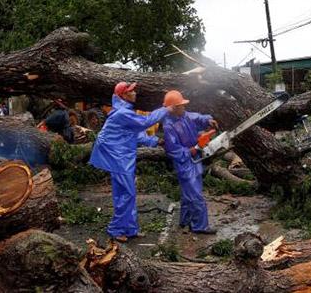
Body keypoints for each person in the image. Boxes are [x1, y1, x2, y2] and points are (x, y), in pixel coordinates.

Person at [89, 81, 170, 242]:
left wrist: (155, 141)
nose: (135, 93)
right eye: (131, 91)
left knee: (125, 193)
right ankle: (116, 229)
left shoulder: (124, 111)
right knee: (127, 192)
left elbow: (135, 133)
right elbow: (145, 122)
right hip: (116, 156)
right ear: (123, 95)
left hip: (122, 155)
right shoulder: (122, 113)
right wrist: (166, 109)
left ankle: (130, 229)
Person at [161, 90, 218, 234]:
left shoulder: (185, 116)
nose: (184, 107)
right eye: (181, 105)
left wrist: (207, 120)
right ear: (173, 108)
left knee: (188, 193)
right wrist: (190, 151)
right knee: (195, 195)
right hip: (184, 162)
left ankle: (185, 220)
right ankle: (200, 226)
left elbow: (197, 117)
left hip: (195, 158)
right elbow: (173, 150)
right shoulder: (169, 126)